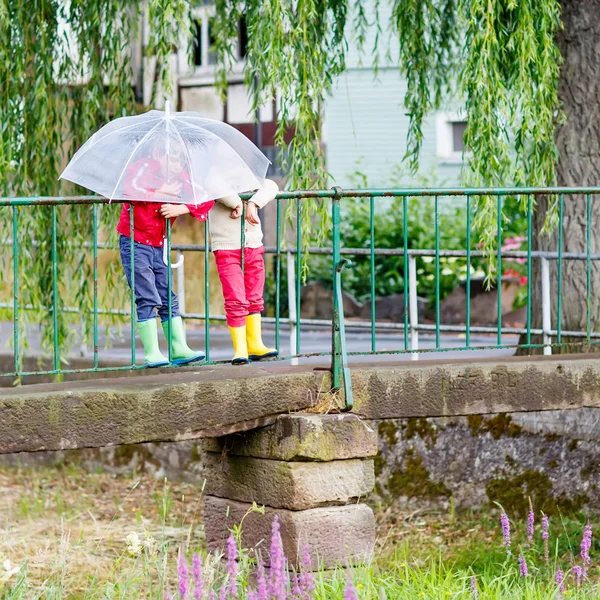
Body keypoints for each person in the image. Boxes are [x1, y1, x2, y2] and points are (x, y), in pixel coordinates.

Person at [117, 143, 214, 367]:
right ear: (156, 154)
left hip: (160, 245)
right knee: (147, 294)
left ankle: (178, 347)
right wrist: (159, 193)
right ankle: (152, 352)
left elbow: (206, 197)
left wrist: (183, 208)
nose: (176, 166)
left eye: (180, 161)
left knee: (167, 295)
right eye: (172, 160)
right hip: (135, 241)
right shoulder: (143, 169)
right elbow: (130, 189)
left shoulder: (180, 178)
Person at [210, 179, 279, 364]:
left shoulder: (251, 179)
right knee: (235, 298)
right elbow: (215, 185)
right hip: (227, 247)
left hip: (254, 245)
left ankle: (255, 343)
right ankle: (240, 348)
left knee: (254, 297)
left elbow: (272, 185)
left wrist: (253, 204)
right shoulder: (214, 175)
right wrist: (238, 203)